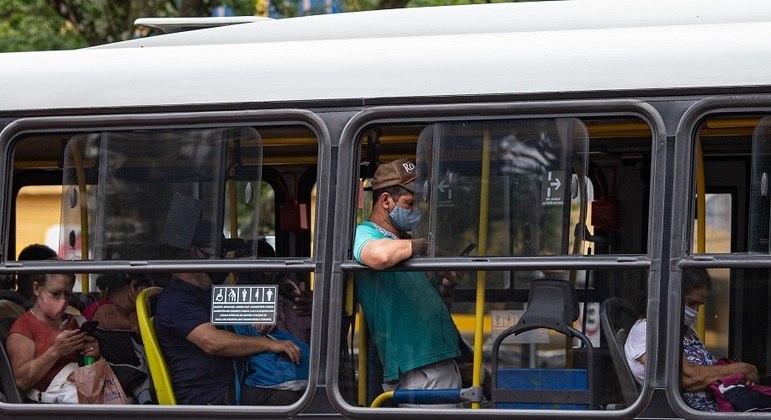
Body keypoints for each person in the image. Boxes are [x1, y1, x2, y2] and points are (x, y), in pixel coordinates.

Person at [154, 217, 303, 405]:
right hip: (211, 396)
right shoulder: (176, 300)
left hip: (237, 381)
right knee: (295, 403)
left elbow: (238, 318)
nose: (224, 260)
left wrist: (262, 317)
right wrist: (269, 344)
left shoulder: (206, 293)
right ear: (194, 253)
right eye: (220, 252)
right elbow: (213, 342)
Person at [353, 158, 462, 408]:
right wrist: (421, 245)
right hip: (418, 366)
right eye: (409, 204)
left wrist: (448, 284)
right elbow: (378, 256)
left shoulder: (404, 244)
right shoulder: (365, 234)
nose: (416, 211)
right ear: (385, 201)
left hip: (438, 359)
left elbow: (436, 306)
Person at [624, 268, 759, 412]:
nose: (694, 312)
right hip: (687, 412)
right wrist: (741, 369)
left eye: (698, 306)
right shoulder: (649, 330)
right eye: (690, 303)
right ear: (669, 297)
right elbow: (690, 378)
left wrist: (737, 375)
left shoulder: (684, 329)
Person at [6, 272, 100, 403]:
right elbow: (22, 381)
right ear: (36, 289)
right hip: (53, 399)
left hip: (83, 385)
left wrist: (94, 354)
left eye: (67, 295)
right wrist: (56, 351)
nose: (62, 302)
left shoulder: (77, 322)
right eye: (55, 294)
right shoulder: (23, 328)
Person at [82, 273, 154, 332]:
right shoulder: (106, 310)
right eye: (145, 293)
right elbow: (137, 329)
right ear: (134, 287)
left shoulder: (126, 312)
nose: (147, 299)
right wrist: (142, 305)